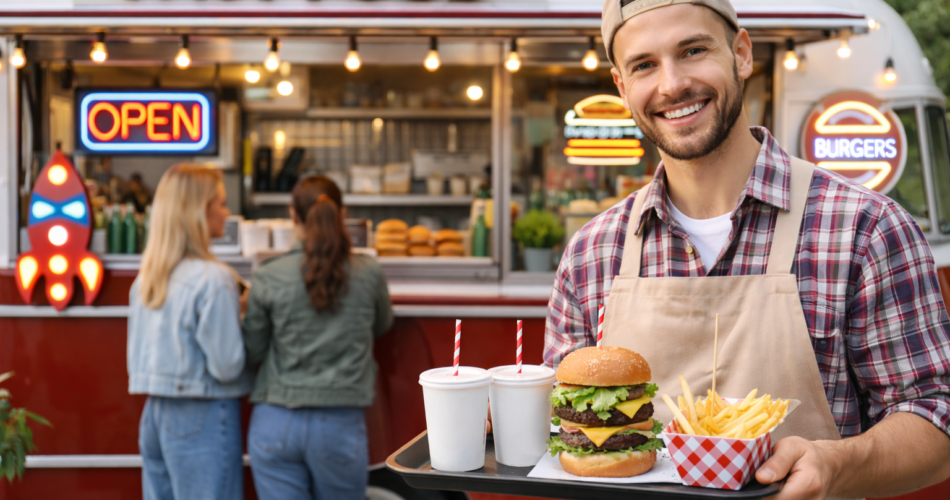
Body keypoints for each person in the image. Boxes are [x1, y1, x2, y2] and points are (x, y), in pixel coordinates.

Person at [544, 1, 950, 499]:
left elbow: (935, 416)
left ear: (740, 53)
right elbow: (566, 419)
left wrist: (837, 464)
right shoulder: (591, 252)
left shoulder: (866, 229)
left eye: (693, 50)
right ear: (623, 87)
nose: (671, 85)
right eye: (644, 65)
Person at [242, 175, 394, 500]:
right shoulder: (369, 272)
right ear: (342, 213)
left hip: (276, 421)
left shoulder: (269, 275)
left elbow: (252, 352)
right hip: (339, 424)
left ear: (293, 216)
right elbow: (382, 326)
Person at [127, 165, 250, 500]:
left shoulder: (146, 279)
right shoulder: (214, 278)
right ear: (199, 210)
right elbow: (227, 367)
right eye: (221, 203)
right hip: (202, 416)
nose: (227, 212)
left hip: (154, 416)